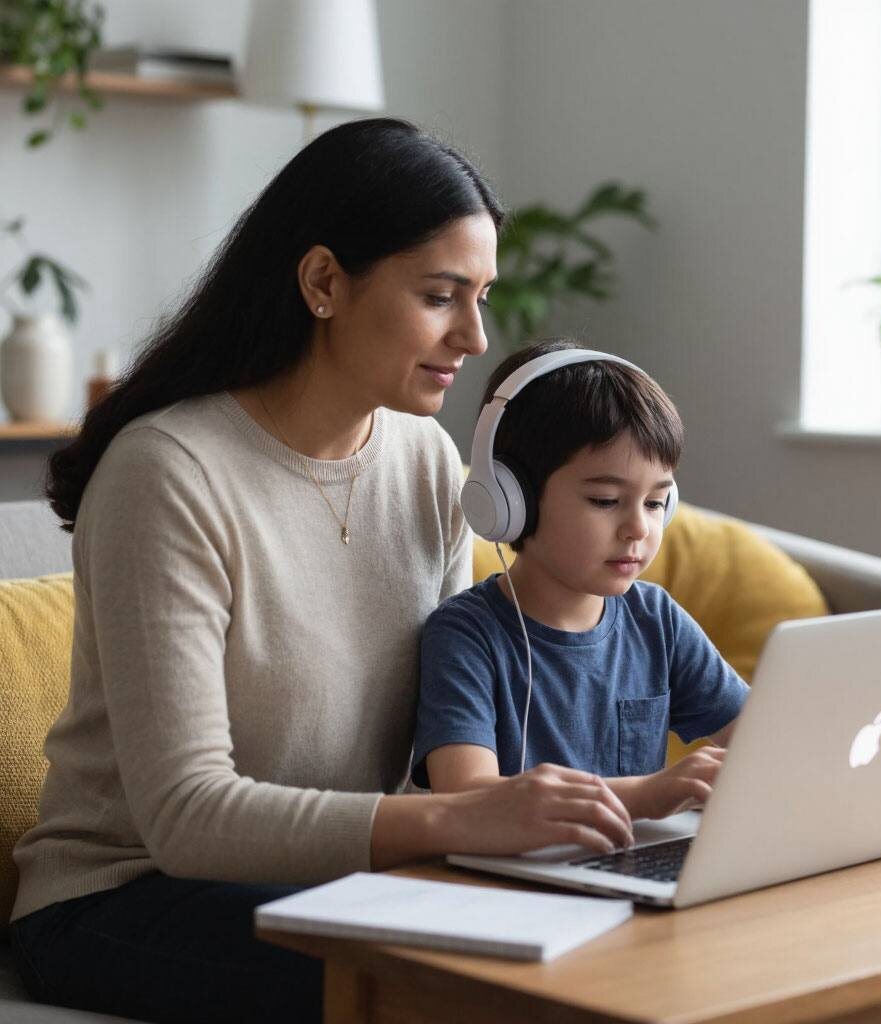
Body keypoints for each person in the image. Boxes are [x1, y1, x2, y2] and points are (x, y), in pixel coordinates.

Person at [9, 121, 634, 1024]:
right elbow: (187, 818)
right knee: (460, 993)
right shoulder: (168, 473)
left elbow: (442, 742)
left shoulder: (426, 461)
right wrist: (457, 825)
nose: (473, 335)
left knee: (613, 943)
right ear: (324, 283)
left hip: (342, 878)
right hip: (123, 897)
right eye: (440, 296)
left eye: (482, 297)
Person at [413, 338, 750, 820]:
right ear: (511, 501)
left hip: (631, 859)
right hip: (512, 868)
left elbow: (764, 740)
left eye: (656, 503)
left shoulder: (657, 620)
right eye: (606, 501)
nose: (639, 528)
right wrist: (646, 794)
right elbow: (466, 798)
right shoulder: (466, 636)